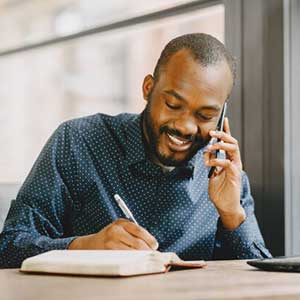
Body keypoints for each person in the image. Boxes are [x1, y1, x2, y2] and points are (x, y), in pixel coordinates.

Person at [0, 33, 271, 268]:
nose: (186, 126)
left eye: (205, 115)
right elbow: (10, 247)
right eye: (173, 105)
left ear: (221, 114)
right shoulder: (77, 142)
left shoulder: (225, 175)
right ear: (148, 88)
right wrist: (85, 247)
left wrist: (232, 215)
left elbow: (257, 280)